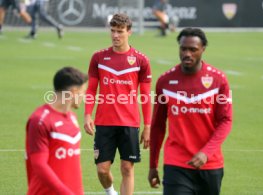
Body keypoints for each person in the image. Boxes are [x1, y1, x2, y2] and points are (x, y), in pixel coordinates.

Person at [148, 28, 232, 195]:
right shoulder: (165, 81)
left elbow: (226, 121)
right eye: (183, 48)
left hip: (210, 164)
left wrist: (206, 153)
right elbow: (157, 126)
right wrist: (153, 165)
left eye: (193, 49)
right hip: (176, 164)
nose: (187, 53)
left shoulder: (218, 80)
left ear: (203, 50)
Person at [84, 13, 152, 195]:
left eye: (120, 31)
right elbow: (91, 89)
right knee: (102, 169)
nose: (115, 35)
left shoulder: (141, 60)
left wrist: (147, 126)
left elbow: (145, 96)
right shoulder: (98, 58)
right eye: (113, 31)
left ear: (129, 32)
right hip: (104, 122)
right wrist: (87, 115)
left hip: (129, 123)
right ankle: (110, 192)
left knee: (127, 168)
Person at [25, 67, 87, 195]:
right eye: (83, 92)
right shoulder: (40, 120)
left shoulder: (72, 118)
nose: (84, 96)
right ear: (74, 92)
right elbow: (39, 165)